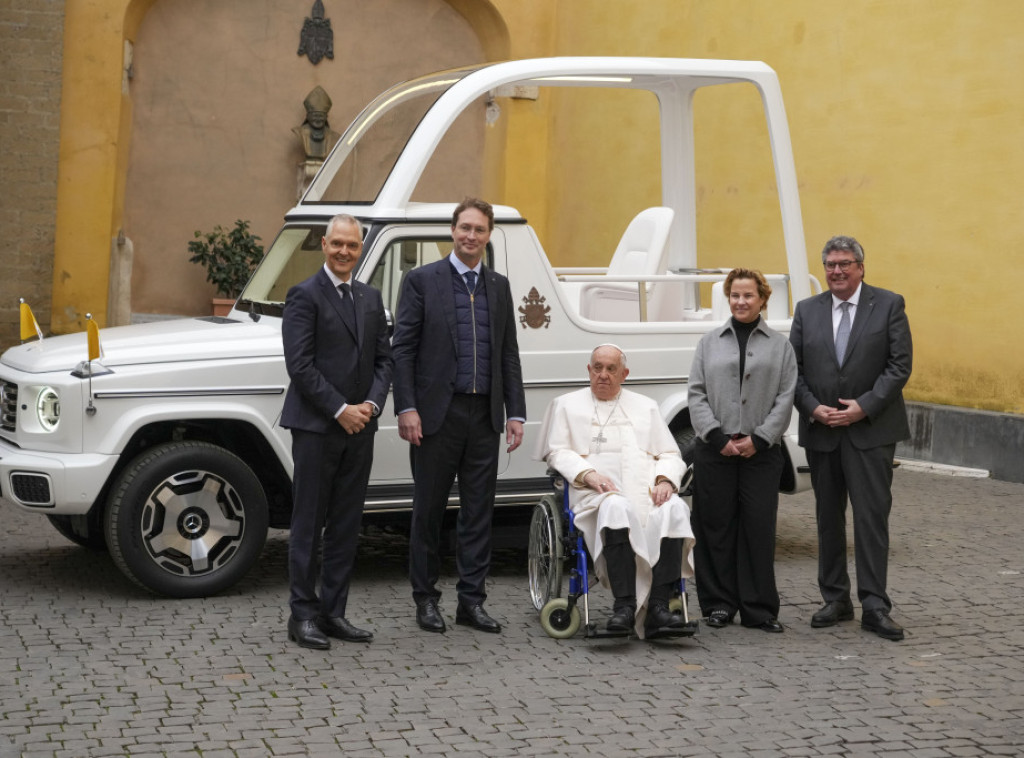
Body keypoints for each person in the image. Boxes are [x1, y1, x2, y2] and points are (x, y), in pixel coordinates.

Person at [391, 197, 527, 634]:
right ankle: (425, 600)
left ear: (489, 236)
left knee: (478, 512)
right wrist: (406, 407)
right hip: (435, 417)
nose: (471, 236)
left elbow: (509, 354)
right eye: (465, 228)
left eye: (480, 230)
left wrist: (516, 413)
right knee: (428, 510)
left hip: (484, 415)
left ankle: (471, 601)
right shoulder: (421, 281)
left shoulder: (499, 286)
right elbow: (403, 350)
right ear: (452, 231)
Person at [790, 235, 912, 641]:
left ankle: (875, 605)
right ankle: (835, 599)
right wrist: (811, 408)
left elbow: (899, 366)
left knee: (871, 518)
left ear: (861, 266)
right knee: (827, 518)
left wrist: (864, 406)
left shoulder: (889, 304)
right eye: (830, 265)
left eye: (844, 263)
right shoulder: (807, 310)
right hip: (822, 432)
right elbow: (794, 371)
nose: (837, 271)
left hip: (871, 432)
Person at [280, 214, 393, 649]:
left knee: (347, 524)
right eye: (337, 244)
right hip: (316, 428)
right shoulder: (304, 296)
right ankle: (302, 616)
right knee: (308, 524)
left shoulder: (370, 297)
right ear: (324, 244)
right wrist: (340, 409)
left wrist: (371, 405)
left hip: (360, 428)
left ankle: (334, 613)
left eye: (352, 245)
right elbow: (300, 365)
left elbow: (385, 360)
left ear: (361, 249)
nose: (344, 251)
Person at [535, 344, 696, 638]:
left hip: (646, 492)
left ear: (624, 374)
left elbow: (671, 455)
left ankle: (659, 607)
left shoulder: (645, 406)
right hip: (594, 495)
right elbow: (557, 453)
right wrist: (588, 473)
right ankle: (624, 606)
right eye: (597, 368)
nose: (604, 375)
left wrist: (664, 481)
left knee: (675, 509)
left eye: (611, 369)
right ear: (589, 370)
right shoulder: (566, 405)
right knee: (616, 508)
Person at [687, 268, 797, 633]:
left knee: (758, 528)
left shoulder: (780, 345)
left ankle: (759, 609)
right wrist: (718, 438)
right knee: (714, 527)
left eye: (748, 295)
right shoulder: (709, 342)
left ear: (763, 299)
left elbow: (786, 396)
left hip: (761, 453)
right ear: (728, 297)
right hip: (714, 450)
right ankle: (718, 604)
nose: (741, 301)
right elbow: (696, 393)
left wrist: (761, 438)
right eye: (735, 295)